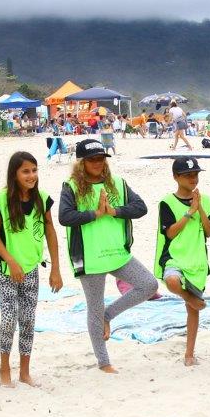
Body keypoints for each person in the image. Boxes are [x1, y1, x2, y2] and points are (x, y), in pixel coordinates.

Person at [57, 139, 158, 373]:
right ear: (81, 163)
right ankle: (104, 363)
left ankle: (108, 315)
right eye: (92, 159)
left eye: (101, 158)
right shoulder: (71, 186)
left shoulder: (118, 184)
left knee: (149, 285)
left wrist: (114, 211)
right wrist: (95, 213)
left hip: (117, 253)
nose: (98, 163)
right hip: (89, 258)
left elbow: (141, 208)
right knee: (94, 308)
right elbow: (65, 217)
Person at [0, 152, 64, 387]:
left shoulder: (43, 198)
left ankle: (24, 372)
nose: (31, 175)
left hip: (31, 267)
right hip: (5, 268)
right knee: (10, 318)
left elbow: (51, 233)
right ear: (14, 174)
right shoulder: (0, 200)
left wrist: (56, 269)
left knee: (29, 319)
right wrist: (10, 261)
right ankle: (4, 369)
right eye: (25, 171)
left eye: (34, 170)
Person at [155, 157, 210, 366]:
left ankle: (189, 354)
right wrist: (189, 212)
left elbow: (209, 231)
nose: (193, 178)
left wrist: (199, 208)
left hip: (197, 260)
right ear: (176, 177)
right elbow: (170, 233)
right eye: (188, 175)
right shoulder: (167, 202)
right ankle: (188, 297)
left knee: (193, 311)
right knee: (172, 282)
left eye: (196, 174)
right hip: (174, 256)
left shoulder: (206, 201)